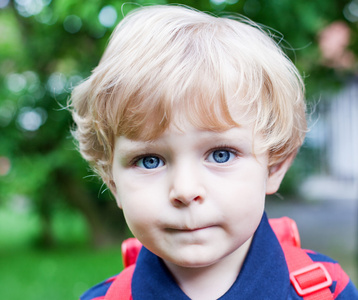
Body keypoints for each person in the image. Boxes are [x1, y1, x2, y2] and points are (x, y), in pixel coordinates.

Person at [70, 5, 358, 299]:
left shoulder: (329, 291)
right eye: (150, 160)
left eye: (221, 154)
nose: (184, 190)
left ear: (274, 167)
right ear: (112, 181)